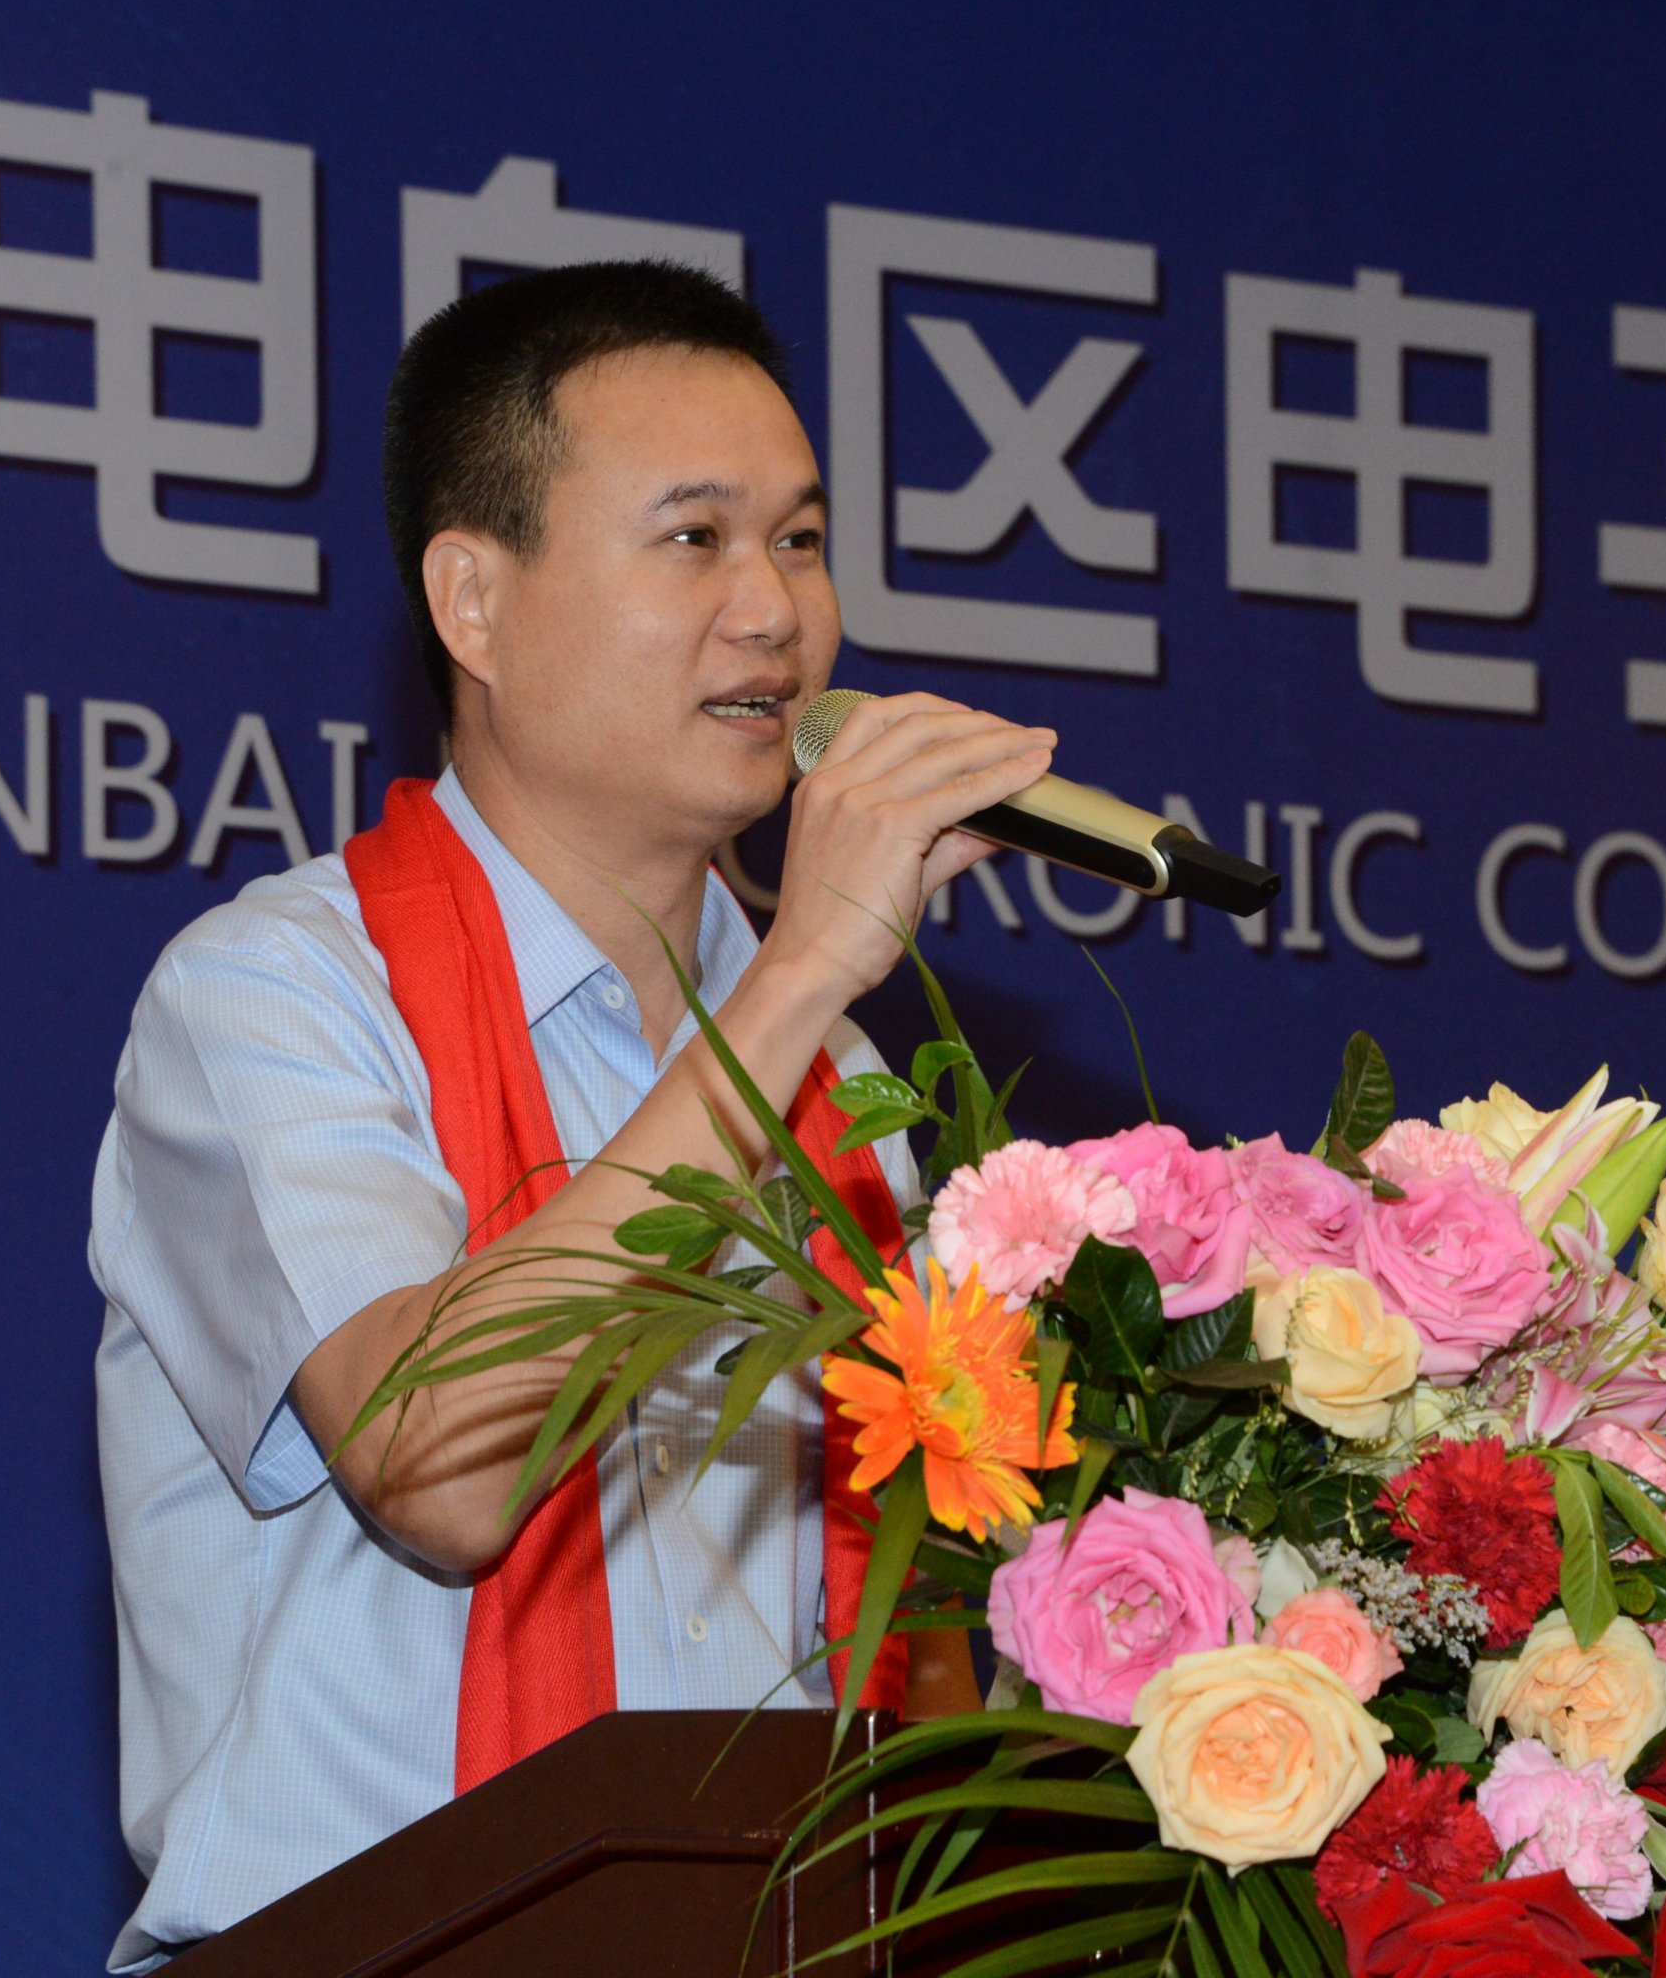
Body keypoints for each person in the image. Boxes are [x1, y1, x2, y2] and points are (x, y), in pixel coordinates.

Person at [89, 260, 1055, 1970]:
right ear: (472, 601)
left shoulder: (840, 1089)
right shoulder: (271, 999)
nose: (773, 612)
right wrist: (804, 968)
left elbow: (903, 1626)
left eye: (802, 540)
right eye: (694, 538)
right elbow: (441, 1465)